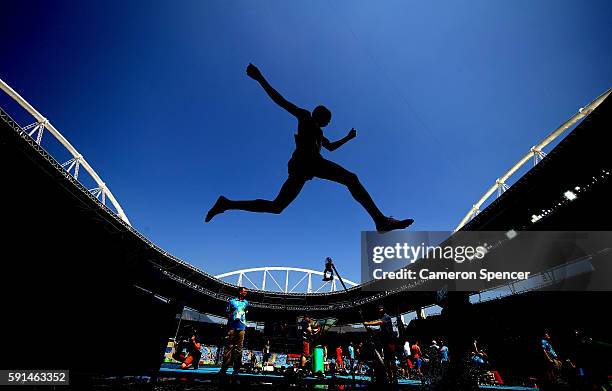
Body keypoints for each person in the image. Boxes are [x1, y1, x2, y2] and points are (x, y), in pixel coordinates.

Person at [205, 63, 414, 232]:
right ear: (320, 116)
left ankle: (227, 203)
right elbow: (282, 101)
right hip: (307, 163)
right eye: (328, 120)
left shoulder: (319, 133)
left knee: (277, 207)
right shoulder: (305, 117)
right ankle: (380, 220)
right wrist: (260, 79)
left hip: (304, 169)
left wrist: (348, 138)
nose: (328, 124)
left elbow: (331, 147)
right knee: (351, 178)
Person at [219, 287, 249, 375]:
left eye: (246, 292)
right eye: (244, 291)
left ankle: (236, 370)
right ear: (240, 292)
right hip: (232, 326)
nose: (246, 293)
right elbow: (227, 312)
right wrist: (233, 315)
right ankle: (224, 369)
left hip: (242, 327)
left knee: (239, 349)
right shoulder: (232, 301)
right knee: (228, 347)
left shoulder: (246, 303)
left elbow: (247, 312)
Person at [364, 304, 398, 382]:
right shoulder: (382, 318)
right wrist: (371, 330)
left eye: (381, 309)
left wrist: (369, 323)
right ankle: (390, 377)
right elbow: (380, 330)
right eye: (379, 309)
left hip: (390, 341)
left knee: (391, 360)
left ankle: (395, 377)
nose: (380, 310)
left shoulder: (387, 317)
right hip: (385, 342)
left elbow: (380, 322)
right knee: (386, 361)